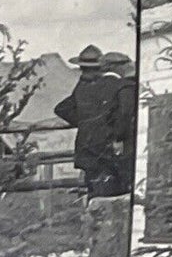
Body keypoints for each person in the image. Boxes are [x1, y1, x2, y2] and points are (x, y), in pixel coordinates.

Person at [53, 45, 125, 199]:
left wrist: (84, 122)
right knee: (110, 194)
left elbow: (62, 109)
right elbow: (122, 111)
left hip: (86, 148)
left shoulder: (82, 86)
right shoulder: (112, 83)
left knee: (94, 192)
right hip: (105, 148)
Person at [100, 50, 138, 196]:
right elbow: (125, 113)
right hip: (127, 137)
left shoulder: (123, 87)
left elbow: (124, 113)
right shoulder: (127, 85)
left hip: (120, 140)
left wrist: (117, 137)